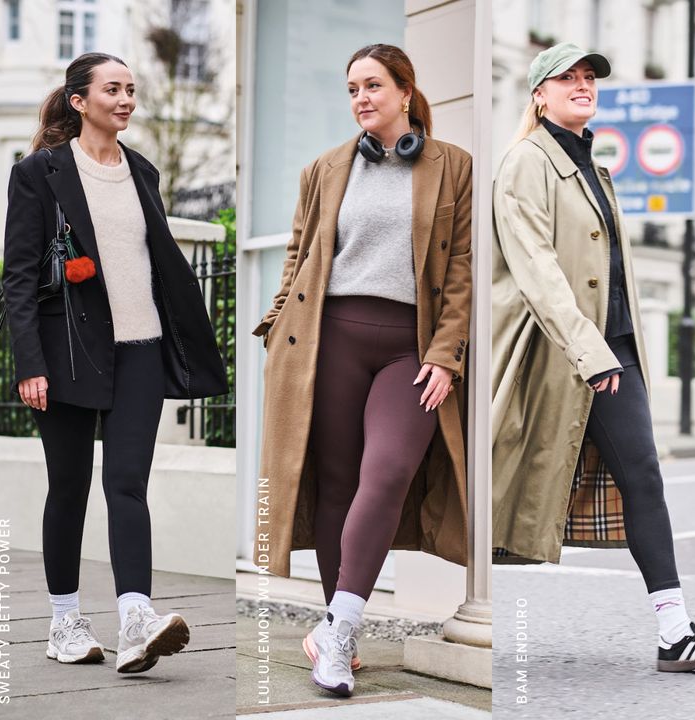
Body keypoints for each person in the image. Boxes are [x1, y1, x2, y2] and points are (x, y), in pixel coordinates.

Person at [491, 42, 695, 672]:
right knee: (500, 485)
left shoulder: (593, 167)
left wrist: (609, 350)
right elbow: (538, 271)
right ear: (539, 95)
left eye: (588, 78)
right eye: (566, 78)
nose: (582, 85)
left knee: (642, 478)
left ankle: (675, 631)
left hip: (614, 348)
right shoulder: (526, 162)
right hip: (571, 354)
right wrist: (590, 351)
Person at [252, 43, 472, 697]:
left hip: (411, 345)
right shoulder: (326, 168)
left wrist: (446, 352)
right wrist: (274, 323)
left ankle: (336, 628)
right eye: (351, 89)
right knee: (336, 486)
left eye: (373, 85)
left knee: (390, 470)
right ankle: (339, 634)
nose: (361, 99)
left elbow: (459, 269)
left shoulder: (450, 167)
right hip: (329, 341)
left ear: (406, 91)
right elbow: (300, 253)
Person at [2, 51, 226, 674]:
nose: (125, 99)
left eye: (131, 89)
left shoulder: (143, 171)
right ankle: (64, 621)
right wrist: (29, 363)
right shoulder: (39, 174)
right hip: (68, 353)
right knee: (68, 487)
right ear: (79, 100)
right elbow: (19, 277)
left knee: (128, 483)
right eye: (112, 89)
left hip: (142, 350)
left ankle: (135, 619)